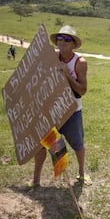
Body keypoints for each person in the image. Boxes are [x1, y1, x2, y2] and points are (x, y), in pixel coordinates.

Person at [32, 25, 91, 187]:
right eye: (60, 38)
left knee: (77, 144)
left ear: (73, 44)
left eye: (67, 39)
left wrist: (66, 74)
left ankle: (81, 174)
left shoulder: (80, 62)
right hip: (51, 112)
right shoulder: (53, 56)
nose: (62, 42)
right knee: (44, 143)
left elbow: (83, 90)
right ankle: (36, 180)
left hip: (72, 111)